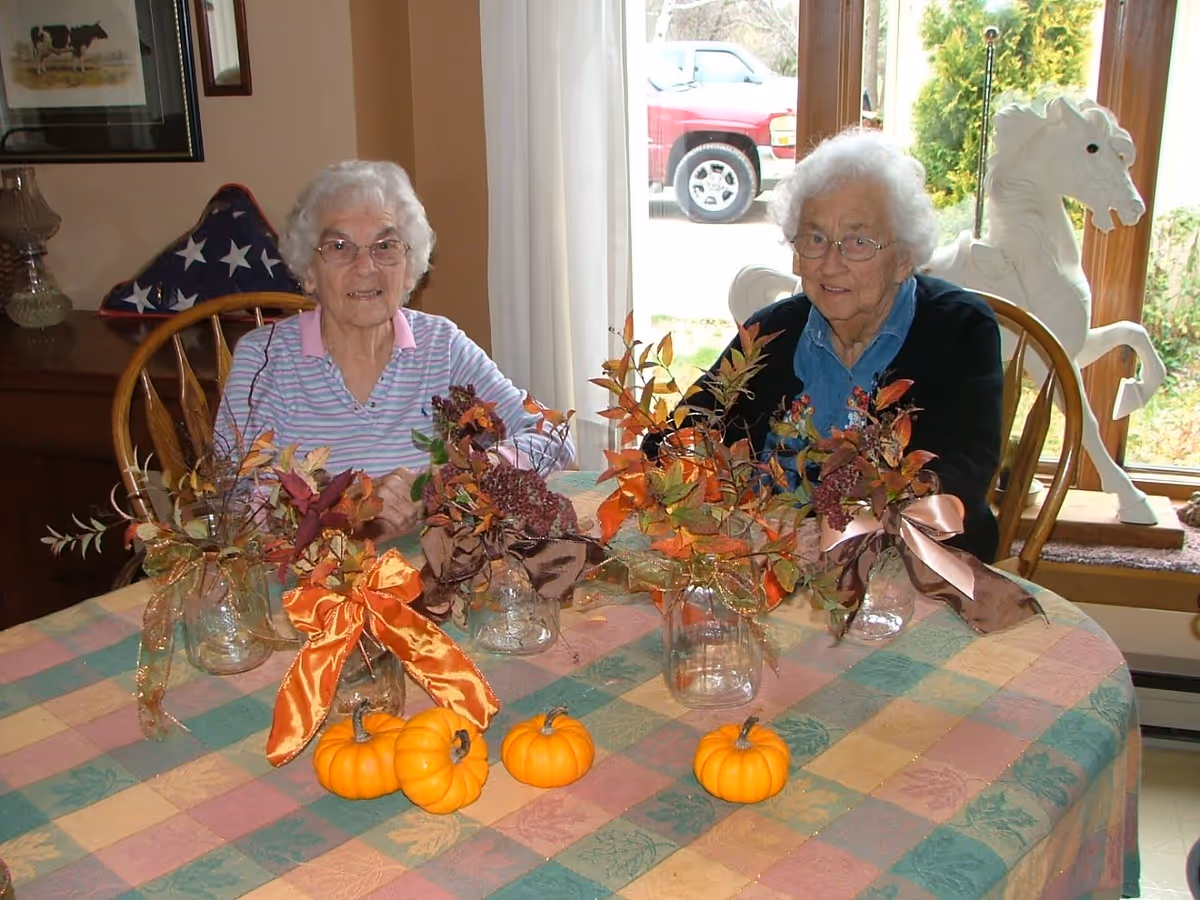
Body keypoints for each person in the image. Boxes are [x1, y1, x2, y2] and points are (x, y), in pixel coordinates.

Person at [686, 127, 1002, 562]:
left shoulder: (959, 329)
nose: (830, 264)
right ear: (796, 253)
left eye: (858, 242)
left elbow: (961, 476)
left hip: (904, 570)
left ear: (904, 257)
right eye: (815, 239)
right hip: (763, 563)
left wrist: (849, 526)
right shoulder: (771, 332)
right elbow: (682, 430)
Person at [215, 160, 575, 540]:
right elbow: (230, 500)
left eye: (385, 246)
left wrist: (445, 483)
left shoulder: (442, 347)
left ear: (409, 269)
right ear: (308, 270)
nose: (366, 266)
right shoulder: (265, 360)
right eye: (339, 247)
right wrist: (345, 513)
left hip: (436, 576)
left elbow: (552, 434)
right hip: (311, 585)